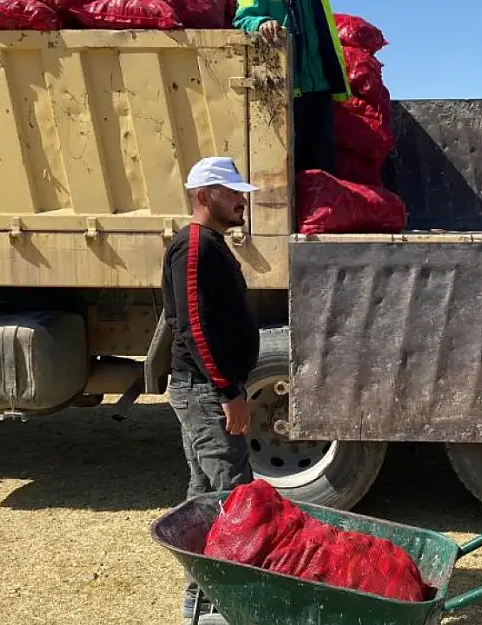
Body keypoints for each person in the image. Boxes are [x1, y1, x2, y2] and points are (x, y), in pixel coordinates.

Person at [162, 156, 261, 623]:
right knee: (232, 497)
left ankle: (200, 604)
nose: (243, 200)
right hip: (204, 390)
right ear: (205, 196)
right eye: (233, 192)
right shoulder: (195, 245)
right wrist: (226, 390)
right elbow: (194, 325)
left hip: (207, 388)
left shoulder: (210, 244)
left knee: (205, 495)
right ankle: (224, 606)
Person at [233, 0, 351, 175]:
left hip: (319, 89)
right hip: (284, 91)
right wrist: (260, 23)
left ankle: (322, 201)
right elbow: (241, 20)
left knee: (323, 165)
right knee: (290, 169)